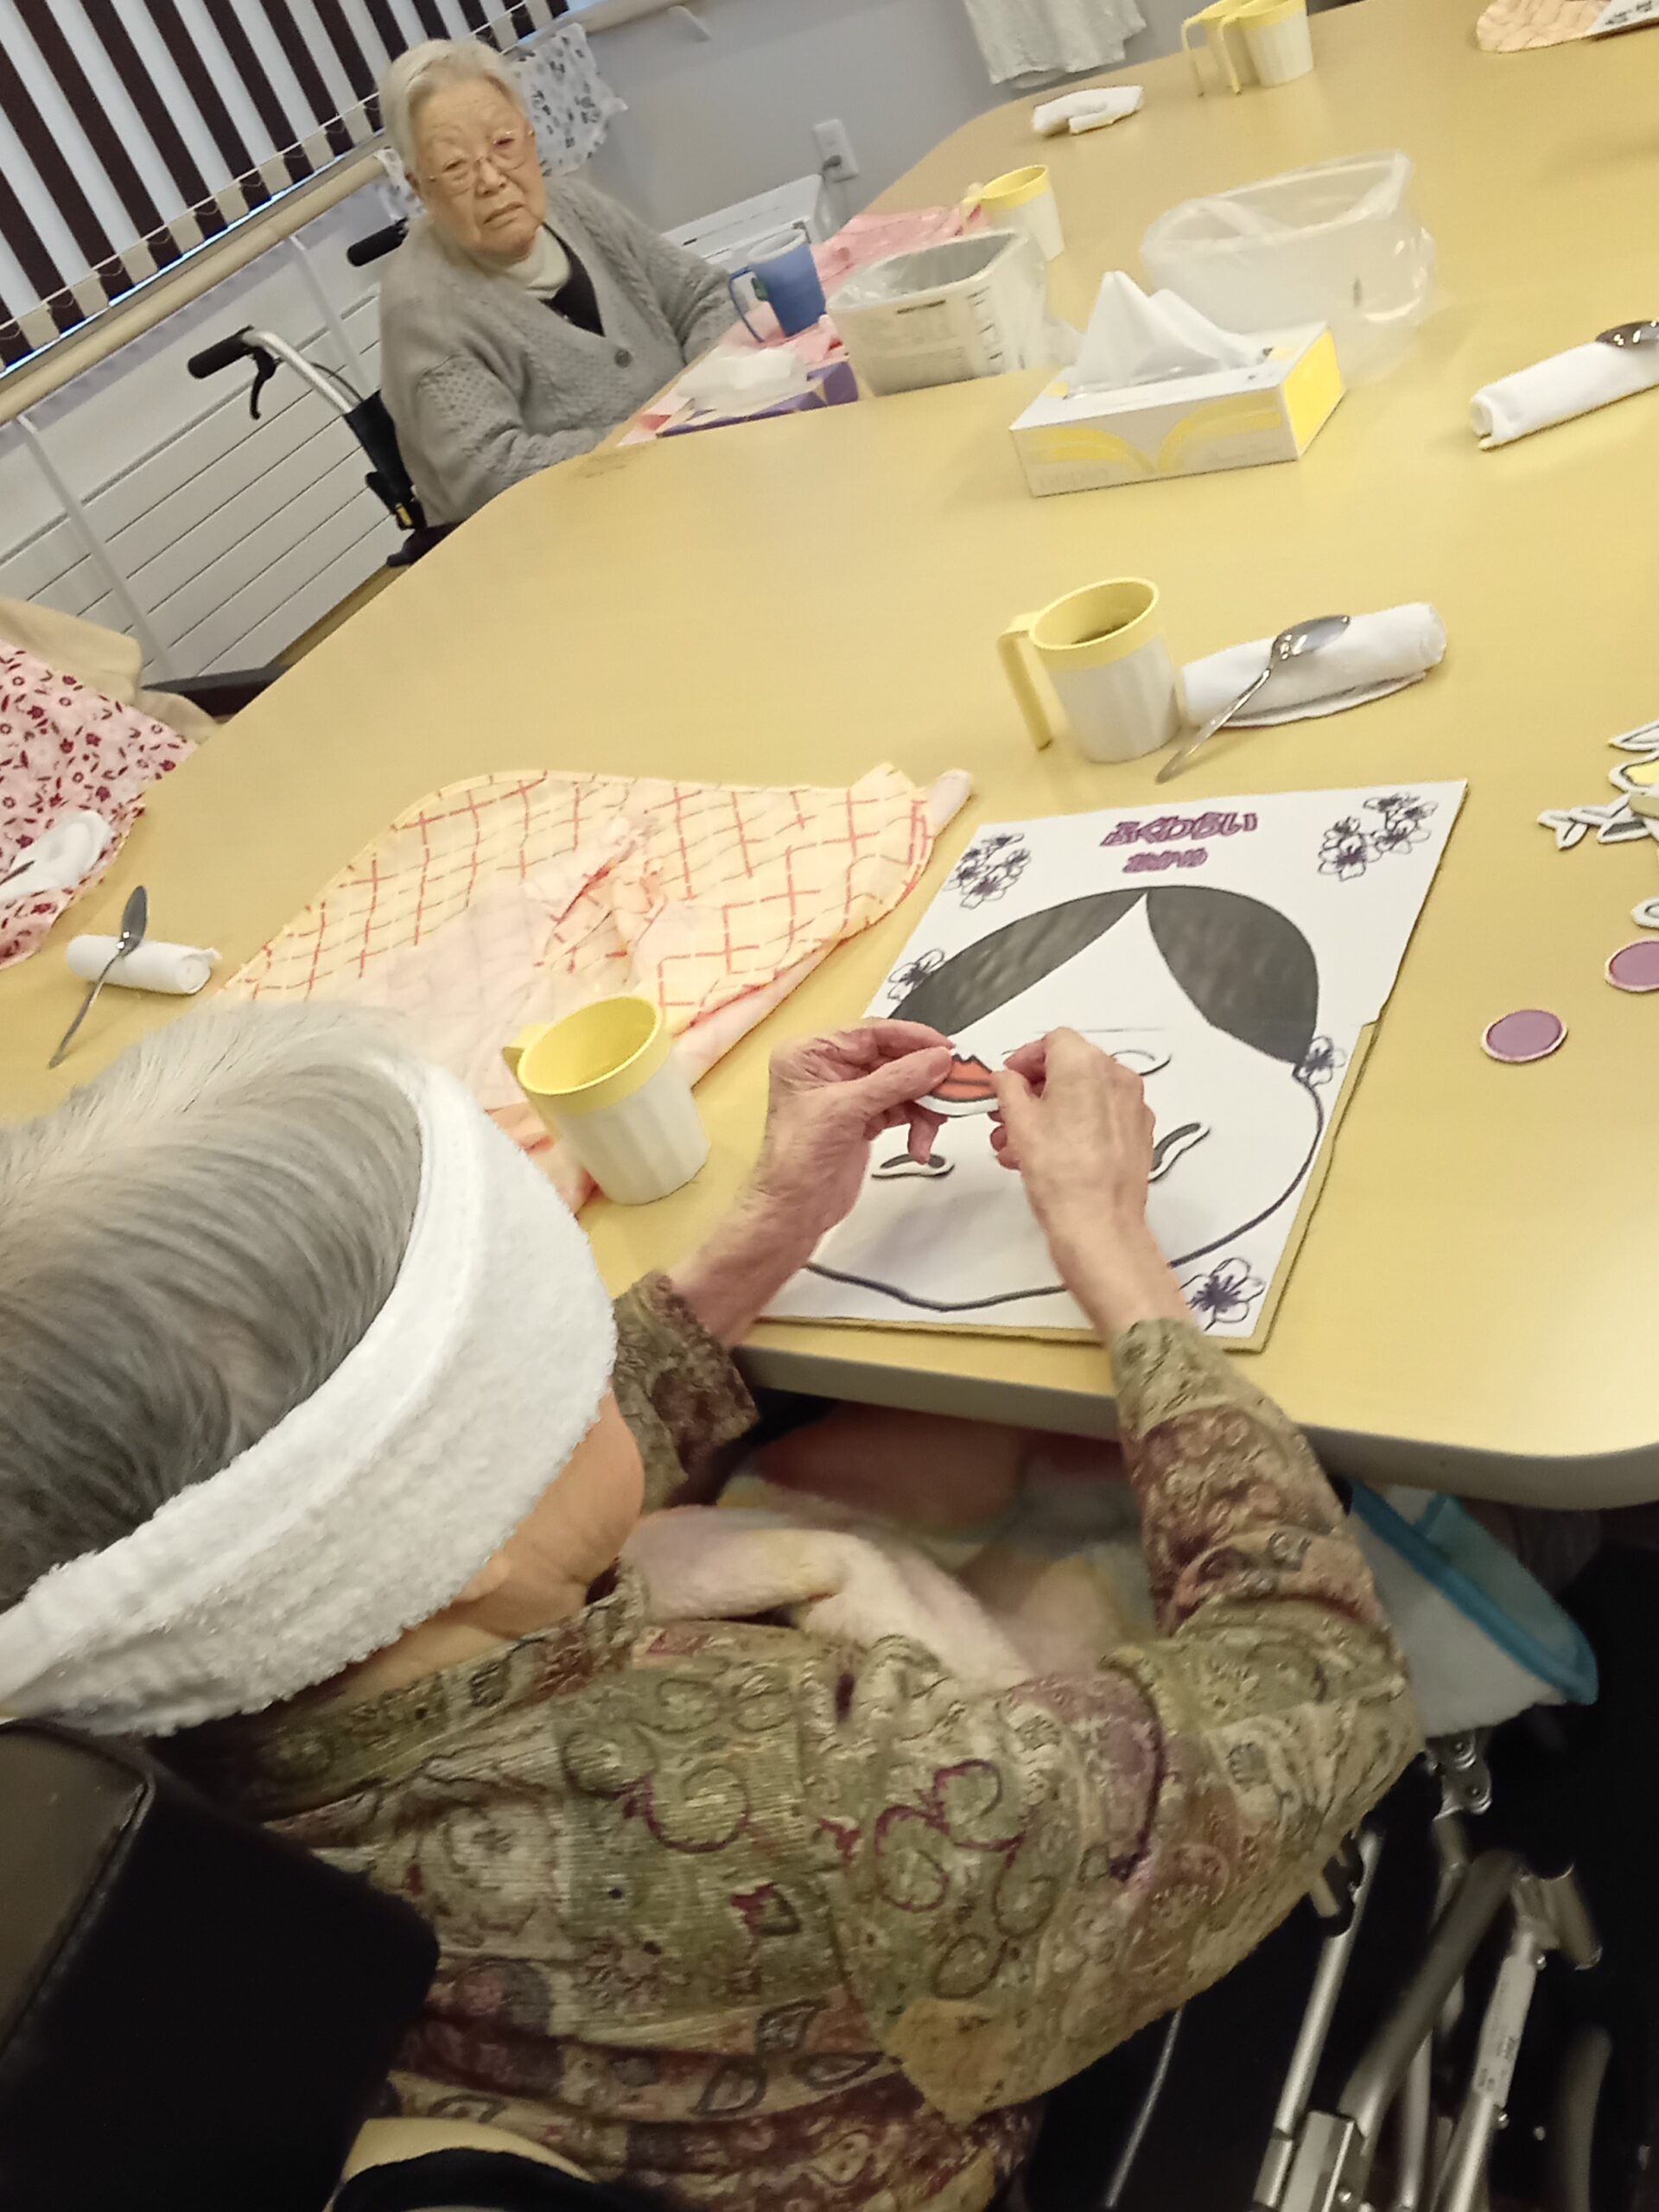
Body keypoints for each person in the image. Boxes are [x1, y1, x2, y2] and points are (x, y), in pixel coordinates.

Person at [0, 1008, 1417, 2212]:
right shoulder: (831, 1795)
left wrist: (761, 1234)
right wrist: (1119, 1251)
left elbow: (398, 1513)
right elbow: (1318, 1673)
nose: (593, 1383)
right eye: (556, 1374)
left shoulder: (122, 1715)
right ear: (461, 1531)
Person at [376, 40, 736, 524]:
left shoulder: (576, 209)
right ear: (420, 187)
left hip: (694, 477)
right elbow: (494, 476)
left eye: (503, 144)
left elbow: (703, 295)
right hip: (568, 542)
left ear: (529, 136)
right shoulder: (424, 312)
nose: (491, 179)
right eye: (456, 167)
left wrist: (709, 402)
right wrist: (657, 434)